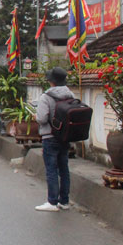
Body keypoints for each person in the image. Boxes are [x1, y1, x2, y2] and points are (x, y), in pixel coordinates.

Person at [34, 67, 75, 212]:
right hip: (64, 137)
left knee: (51, 169)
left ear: (51, 81)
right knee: (64, 169)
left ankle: (52, 201)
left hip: (50, 136)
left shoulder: (46, 97)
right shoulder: (71, 95)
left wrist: (36, 117)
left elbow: (42, 118)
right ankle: (64, 201)